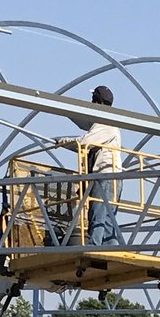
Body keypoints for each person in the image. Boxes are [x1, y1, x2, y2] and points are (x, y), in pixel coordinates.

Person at [62, 85, 123, 247]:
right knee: (108, 222)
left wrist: (64, 142)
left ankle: (94, 248)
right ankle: (111, 249)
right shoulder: (108, 121)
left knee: (98, 215)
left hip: (105, 176)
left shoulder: (105, 122)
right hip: (114, 177)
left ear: (96, 101)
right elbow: (86, 128)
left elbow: (84, 142)